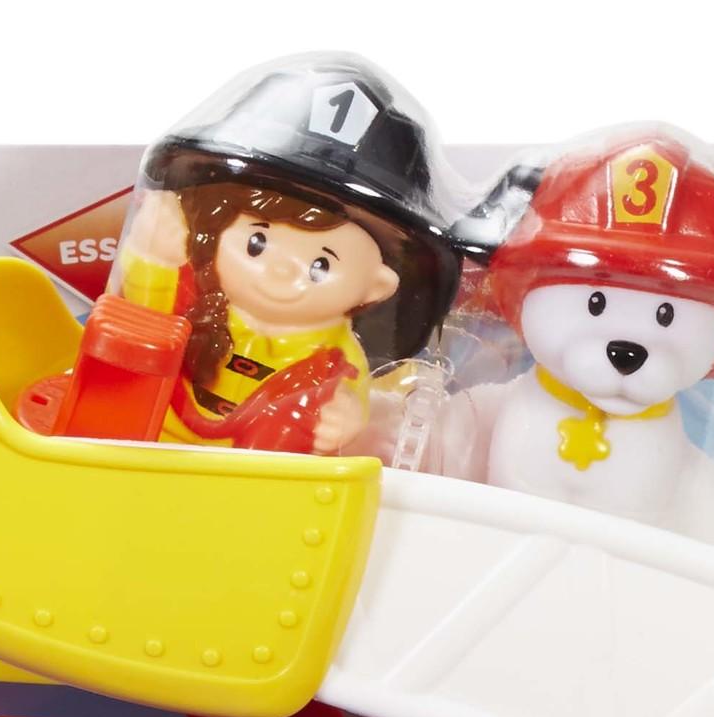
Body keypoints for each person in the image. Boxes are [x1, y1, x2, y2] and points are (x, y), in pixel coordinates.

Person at [111, 54, 465, 453]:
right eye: (257, 244)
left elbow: (347, 393)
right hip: (154, 437)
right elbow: (145, 310)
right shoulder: (196, 296)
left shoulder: (334, 354)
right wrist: (156, 254)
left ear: (377, 287)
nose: (280, 272)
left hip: (262, 471)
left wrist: (344, 415)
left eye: (320, 266)